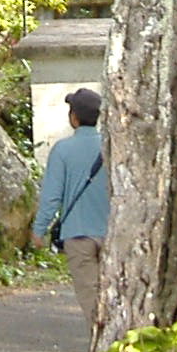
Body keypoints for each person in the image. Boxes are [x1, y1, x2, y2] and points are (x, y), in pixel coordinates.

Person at [32, 87, 109, 328]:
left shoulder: (62, 150)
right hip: (112, 234)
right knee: (115, 298)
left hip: (77, 235)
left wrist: (39, 230)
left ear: (74, 117)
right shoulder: (112, 147)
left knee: (92, 302)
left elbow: (52, 197)